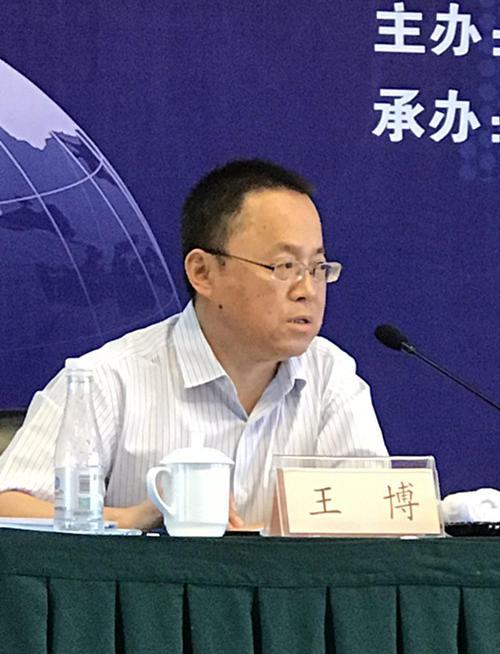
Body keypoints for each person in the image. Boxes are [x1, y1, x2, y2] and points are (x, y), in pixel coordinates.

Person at [0, 159, 387, 530]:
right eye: (284, 267)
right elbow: (8, 504)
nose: (308, 291)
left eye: (318, 269)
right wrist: (132, 518)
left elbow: (380, 513)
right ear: (203, 272)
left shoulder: (331, 376)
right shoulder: (108, 379)